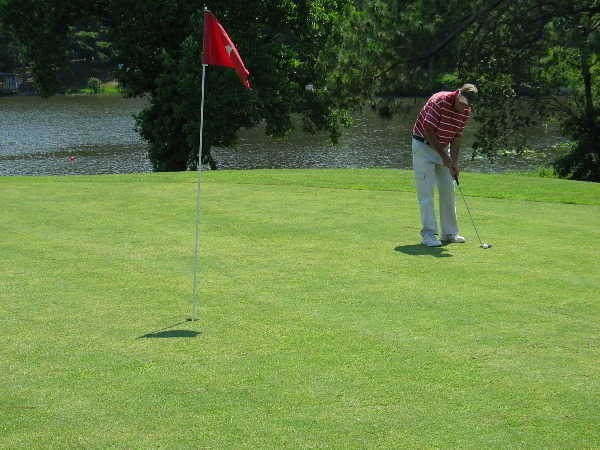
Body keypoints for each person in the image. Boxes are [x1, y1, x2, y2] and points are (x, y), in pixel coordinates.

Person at [411, 83, 478, 247]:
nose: (463, 108)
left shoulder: (465, 112)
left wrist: (453, 163)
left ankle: (449, 233)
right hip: (423, 145)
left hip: (443, 145)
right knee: (426, 192)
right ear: (458, 95)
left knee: (448, 189)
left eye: (467, 106)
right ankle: (428, 234)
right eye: (462, 103)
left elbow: (456, 139)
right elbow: (428, 130)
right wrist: (445, 158)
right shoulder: (439, 101)